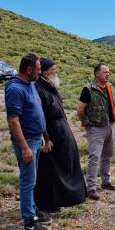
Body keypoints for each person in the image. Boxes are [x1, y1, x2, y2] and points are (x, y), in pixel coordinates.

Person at [5, 53, 52, 230]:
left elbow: (36, 111)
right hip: (27, 142)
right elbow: (14, 121)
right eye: (38, 69)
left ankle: (33, 211)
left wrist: (44, 136)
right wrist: (24, 147)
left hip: (35, 138)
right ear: (29, 69)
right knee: (27, 181)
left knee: (32, 180)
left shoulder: (30, 85)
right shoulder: (16, 89)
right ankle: (29, 221)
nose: (40, 73)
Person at [34, 58, 87, 211]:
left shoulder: (50, 86)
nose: (56, 71)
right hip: (51, 135)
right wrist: (46, 138)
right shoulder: (39, 89)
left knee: (64, 165)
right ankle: (47, 203)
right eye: (54, 69)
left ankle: (63, 199)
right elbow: (40, 117)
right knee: (50, 169)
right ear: (44, 72)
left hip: (61, 132)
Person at [77, 63, 115, 200]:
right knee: (94, 157)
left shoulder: (110, 87)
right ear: (97, 74)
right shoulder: (88, 90)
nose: (108, 74)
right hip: (95, 128)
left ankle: (106, 182)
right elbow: (80, 111)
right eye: (105, 72)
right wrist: (89, 124)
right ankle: (91, 188)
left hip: (110, 125)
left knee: (107, 155)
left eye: (109, 72)